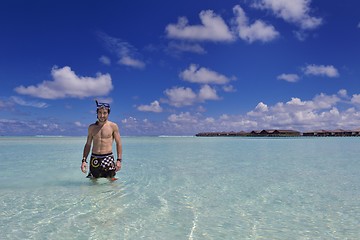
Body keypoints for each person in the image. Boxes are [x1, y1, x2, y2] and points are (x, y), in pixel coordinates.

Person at [80, 100, 122, 180]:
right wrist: (84, 160)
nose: (102, 115)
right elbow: (88, 144)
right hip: (94, 159)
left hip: (108, 158)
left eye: (105, 113)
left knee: (112, 181)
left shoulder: (113, 126)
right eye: (100, 113)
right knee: (93, 183)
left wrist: (119, 160)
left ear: (108, 113)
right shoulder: (91, 127)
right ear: (97, 113)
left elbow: (118, 143)